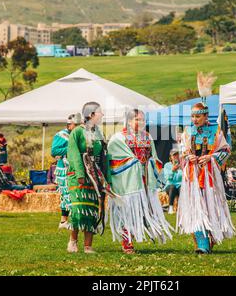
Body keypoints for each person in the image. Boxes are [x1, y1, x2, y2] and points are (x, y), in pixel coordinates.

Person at [107, 109, 173, 254]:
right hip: (127, 181)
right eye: (137, 119)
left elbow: (153, 157)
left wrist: (150, 165)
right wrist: (133, 163)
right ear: (129, 121)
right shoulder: (119, 138)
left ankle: (139, 234)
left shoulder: (148, 137)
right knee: (127, 210)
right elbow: (113, 159)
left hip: (144, 179)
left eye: (143, 120)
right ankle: (127, 243)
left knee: (142, 210)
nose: (141, 122)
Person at [177, 102, 236, 254]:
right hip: (193, 175)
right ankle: (202, 242)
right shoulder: (188, 131)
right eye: (192, 116)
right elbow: (182, 150)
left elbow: (226, 150)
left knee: (210, 205)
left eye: (198, 116)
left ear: (205, 116)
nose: (194, 119)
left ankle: (212, 236)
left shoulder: (216, 131)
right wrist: (187, 155)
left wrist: (211, 157)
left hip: (210, 175)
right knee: (196, 206)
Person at [66, 102, 107, 254]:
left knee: (91, 210)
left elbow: (103, 156)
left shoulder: (99, 133)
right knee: (78, 209)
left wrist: (105, 177)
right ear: (91, 115)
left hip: (95, 177)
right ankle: (73, 241)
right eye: (100, 112)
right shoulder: (77, 132)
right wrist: (80, 174)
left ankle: (88, 246)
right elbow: (73, 153)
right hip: (79, 176)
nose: (102, 115)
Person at [51, 113, 81, 230]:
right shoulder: (62, 135)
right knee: (68, 194)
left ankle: (63, 221)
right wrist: (71, 148)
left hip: (73, 167)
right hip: (64, 168)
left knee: (67, 195)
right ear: (69, 125)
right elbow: (54, 151)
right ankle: (72, 220)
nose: (78, 127)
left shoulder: (77, 135)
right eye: (76, 125)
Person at [163, 148, 183, 214]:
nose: (176, 156)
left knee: (182, 188)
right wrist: (172, 170)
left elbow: (184, 177)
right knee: (172, 187)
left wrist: (181, 168)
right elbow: (167, 178)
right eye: (174, 155)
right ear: (170, 157)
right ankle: (170, 208)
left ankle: (182, 208)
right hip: (170, 186)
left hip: (180, 185)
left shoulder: (182, 165)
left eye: (177, 155)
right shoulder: (167, 165)